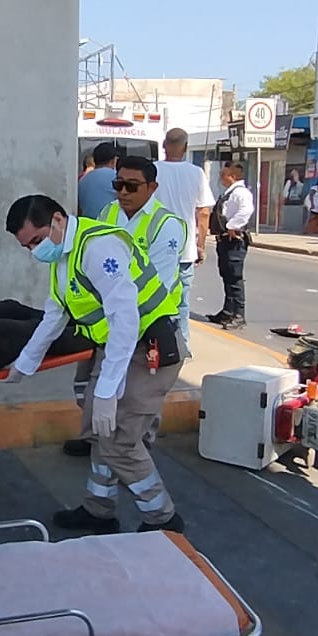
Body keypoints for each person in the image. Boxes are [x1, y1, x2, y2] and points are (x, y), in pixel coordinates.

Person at [5, 194, 185, 534]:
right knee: (101, 433)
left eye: (37, 241)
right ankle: (99, 510)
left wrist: (107, 390)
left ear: (58, 220)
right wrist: (25, 363)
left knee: (118, 441)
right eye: (27, 246)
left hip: (149, 349)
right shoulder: (64, 256)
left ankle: (163, 519)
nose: (34, 251)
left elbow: (125, 319)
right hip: (118, 349)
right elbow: (55, 314)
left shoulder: (98, 248)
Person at [62, 154, 189, 459]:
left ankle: (136, 448)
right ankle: (94, 438)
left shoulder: (166, 226)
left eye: (131, 186)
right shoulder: (108, 212)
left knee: (139, 395)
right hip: (108, 319)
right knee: (93, 382)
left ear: (152, 187)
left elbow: (156, 283)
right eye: (118, 184)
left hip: (149, 322)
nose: (122, 192)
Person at [155, 128, 215, 356]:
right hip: (185, 249)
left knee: (155, 300)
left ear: (164, 145)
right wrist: (200, 245)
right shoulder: (196, 173)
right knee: (182, 302)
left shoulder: (153, 171)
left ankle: (158, 345)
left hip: (157, 248)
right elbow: (203, 212)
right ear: (186, 147)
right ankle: (182, 348)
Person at [206, 163, 253, 330]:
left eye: (223, 175)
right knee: (226, 275)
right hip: (225, 239)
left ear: (232, 176)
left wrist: (232, 226)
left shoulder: (241, 192)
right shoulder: (230, 192)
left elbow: (246, 211)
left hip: (234, 240)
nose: (220, 179)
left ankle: (239, 315)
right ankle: (227, 311)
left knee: (235, 277)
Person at [76, 141, 121, 219]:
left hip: (87, 223)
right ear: (113, 161)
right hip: (108, 223)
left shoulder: (83, 180)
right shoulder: (116, 177)